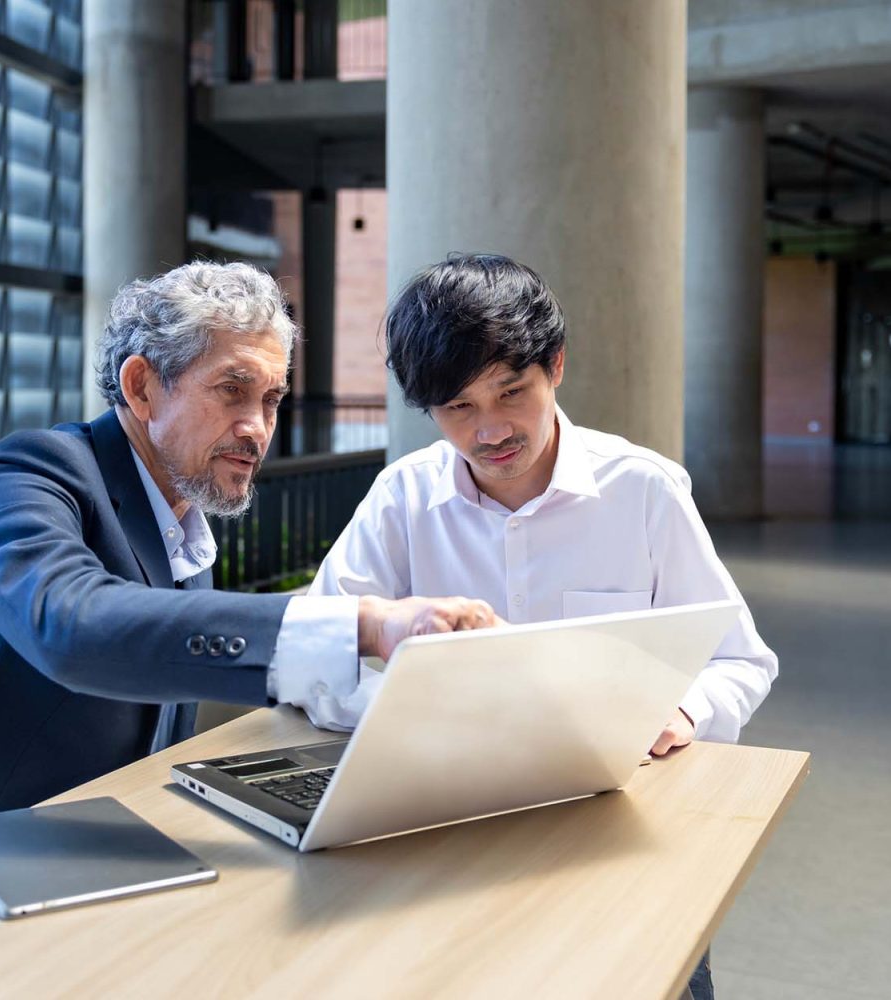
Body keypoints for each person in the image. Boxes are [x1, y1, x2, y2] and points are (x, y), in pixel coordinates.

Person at [0, 261, 496, 881]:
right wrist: (363, 625)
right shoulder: (28, 474)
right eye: (231, 391)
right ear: (141, 387)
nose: (257, 429)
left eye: (270, 400)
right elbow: (73, 626)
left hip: (88, 853)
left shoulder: (182, 532)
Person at [308, 253, 778, 1000]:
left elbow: (742, 662)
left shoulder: (644, 491)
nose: (490, 430)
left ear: (555, 367)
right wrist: (411, 702)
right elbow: (315, 656)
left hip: (623, 840)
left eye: (511, 392)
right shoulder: (401, 498)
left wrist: (686, 710)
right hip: (451, 836)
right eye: (458, 407)